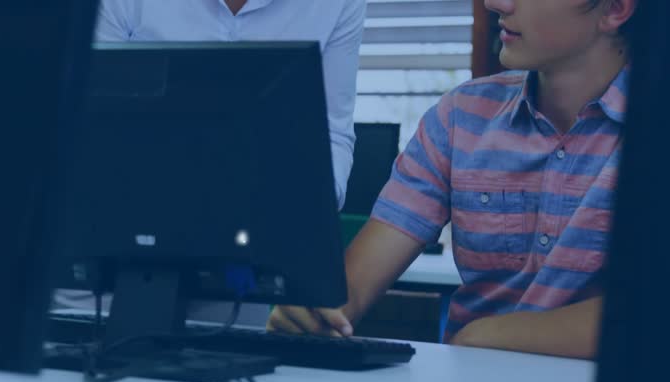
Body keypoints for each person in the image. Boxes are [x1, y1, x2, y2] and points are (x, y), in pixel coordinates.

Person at [268, 0, 639, 360]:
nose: (496, 4)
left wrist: (489, 335)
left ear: (614, 9)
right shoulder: (460, 116)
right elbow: (359, 278)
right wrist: (315, 311)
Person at [55, 0, 365, 322]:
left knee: (233, 361)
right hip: (105, 271)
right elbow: (77, 124)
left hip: (237, 277)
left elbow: (330, 133)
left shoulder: (337, 4)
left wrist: (302, 217)